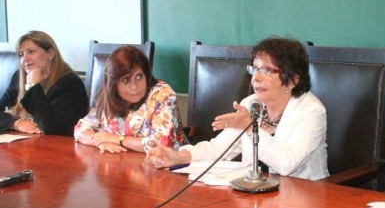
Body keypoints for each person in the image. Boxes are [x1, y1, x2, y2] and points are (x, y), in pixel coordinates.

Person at [146, 37, 329, 180]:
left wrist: (250, 127)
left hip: (302, 200)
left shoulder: (311, 111)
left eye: (267, 71)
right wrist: (178, 156)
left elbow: (287, 165)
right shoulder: (251, 103)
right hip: (255, 196)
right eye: (255, 69)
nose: (256, 78)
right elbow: (218, 149)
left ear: (292, 80)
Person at [74, 46, 187, 153]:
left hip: (170, 167)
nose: (134, 86)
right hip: (122, 164)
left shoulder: (162, 94)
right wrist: (99, 142)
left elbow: (163, 143)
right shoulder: (108, 97)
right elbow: (80, 129)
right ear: (114, 84)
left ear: (146, 75)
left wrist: (118, 140)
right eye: (125, 80)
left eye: (139, 77)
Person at [0, 31, 88, 136]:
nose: (25, 59)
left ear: (50, 54)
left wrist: (34, 85)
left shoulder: (70, 83)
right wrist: (16, 123)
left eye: (31, 52)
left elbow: (49, 126)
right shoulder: (19, 77)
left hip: (57, 147)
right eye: (21, 54)